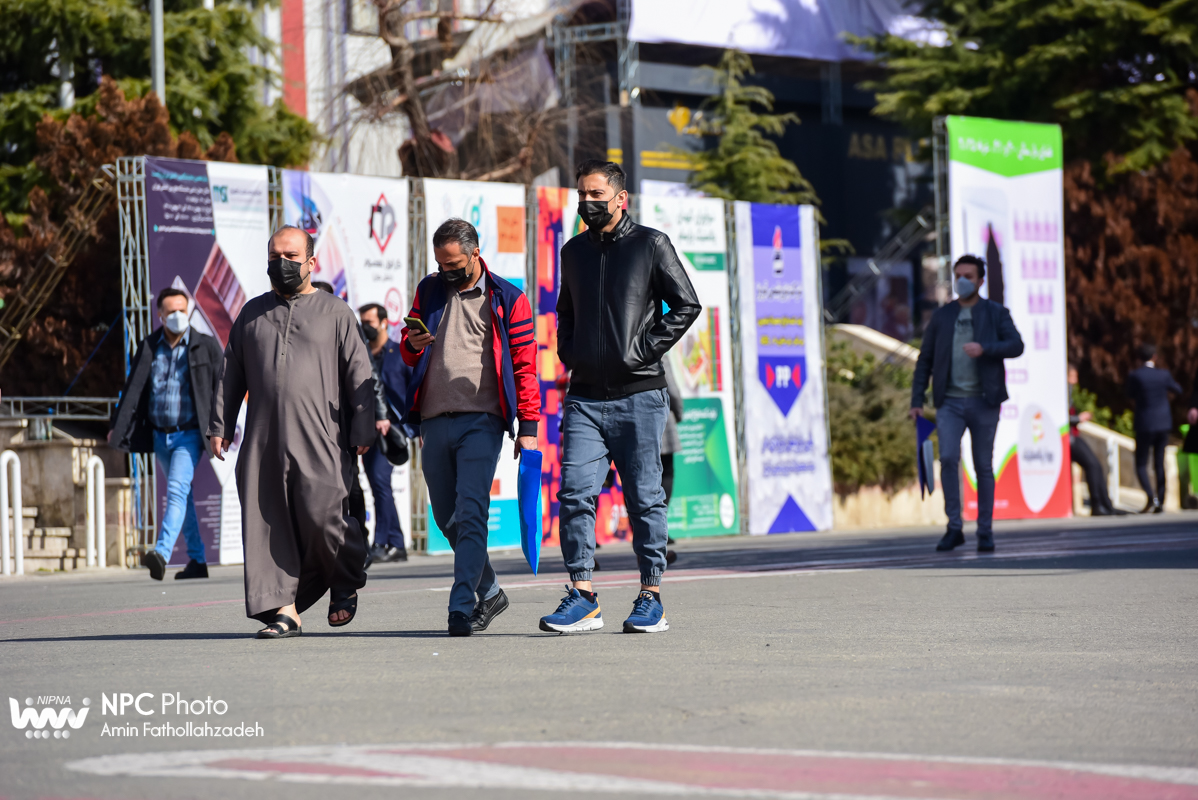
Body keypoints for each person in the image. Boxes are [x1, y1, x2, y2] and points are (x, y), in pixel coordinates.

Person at [542, 159, 701, 635]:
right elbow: (564, 312)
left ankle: (651, 596)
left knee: (645, 499)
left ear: (619, 198)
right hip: (585, 397)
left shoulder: (651, 244)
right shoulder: (572, 252)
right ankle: (583, 596)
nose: (586, 203)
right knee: (574, 495)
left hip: (640, 394)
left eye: (595, 195)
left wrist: (642, 350)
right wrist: (569, 352)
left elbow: (687, 303)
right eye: (581, 195)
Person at [208, 225, 375, 639]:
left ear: (311, 262)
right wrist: (220, 425)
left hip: (322, 438)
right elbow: (231, 375)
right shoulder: (252, 313)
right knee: (267, 525)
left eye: (291, 257)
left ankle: (347, 570)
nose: (281, 264)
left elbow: (359, 374)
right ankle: (285, 610)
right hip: (263, 440)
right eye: (274, 257)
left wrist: (363, 426)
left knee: (325, 519)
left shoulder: (336, 312)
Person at [399, 218, 540, 637]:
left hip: (483, 420)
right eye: (441, 263)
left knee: (473, 511)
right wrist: (412, 345)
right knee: (446, 517)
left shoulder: (508, 298)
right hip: (432, 419)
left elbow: (525, 367)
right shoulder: (428, 290)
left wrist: (528, 425)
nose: (447, 271)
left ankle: (460, 608)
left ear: (475, 254)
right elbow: (407, 352)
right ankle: (491, 589)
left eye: (455, 263)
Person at [911, 254, 1024, 553]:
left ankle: (985, 531)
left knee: (983, 465)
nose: (962, 280)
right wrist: (917, 399)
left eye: (969, 276)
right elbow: (925, 360)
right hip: (949, 402)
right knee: (948, 458)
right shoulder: (942, 316)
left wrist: (985, 348)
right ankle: (954, 527)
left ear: (981, 281)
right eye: (958, 274)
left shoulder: (996, 312)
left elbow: (1016, 345)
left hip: (985, 401)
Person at [109, 287, 222, 581]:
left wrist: (220, 428)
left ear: (190, 311)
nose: (177, 316)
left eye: (182, 310)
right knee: (181, 496)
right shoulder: (149, 347)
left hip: (189, 435)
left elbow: (222, 389)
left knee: (175, 490)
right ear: (159, 314)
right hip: (160, 436)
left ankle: (161, 552)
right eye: (170, 311)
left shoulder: (206, 346)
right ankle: (197, 561)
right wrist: (117, 427)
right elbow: (132, 390)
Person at [311, 280, 387, 568]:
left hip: (342, 425)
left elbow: (369, 379)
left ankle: (359, 542)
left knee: (350, 485)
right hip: (308, 423)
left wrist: (374, 417)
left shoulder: (347, 329)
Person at [360, 302, 414, 565]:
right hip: (367, 431)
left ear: (384, 322)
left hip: (392, 431)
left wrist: (417, 426)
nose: (365, 327)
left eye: (369, 322)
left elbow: (414, 391)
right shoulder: (361, 353)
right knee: (375, 483)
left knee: (380, 481)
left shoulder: (398, 353)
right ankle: (397, 543)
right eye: (362, 322)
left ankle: (382, 542)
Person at [1125, 342, 1181, 513]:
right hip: (1163, 423)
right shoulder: (1163, 375)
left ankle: (1151, 497)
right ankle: (1161, 501)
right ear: (1154, 357)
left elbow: (1128, 394)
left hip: (1144, 423)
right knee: (1159, 462)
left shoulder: (1136, 375)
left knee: (1141, 463)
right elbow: (1178, 389)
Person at [1067, 365, 1116, 516]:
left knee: (1096, 465)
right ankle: (1098, 504)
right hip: (1069, 438)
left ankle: (1105, 504)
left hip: (1073, 436)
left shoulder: (1069, 391)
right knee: (1093, 465)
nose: (1076, 381)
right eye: (1073, 377)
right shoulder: (1064, 391)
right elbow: (1060, 417)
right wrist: (1079, 418)